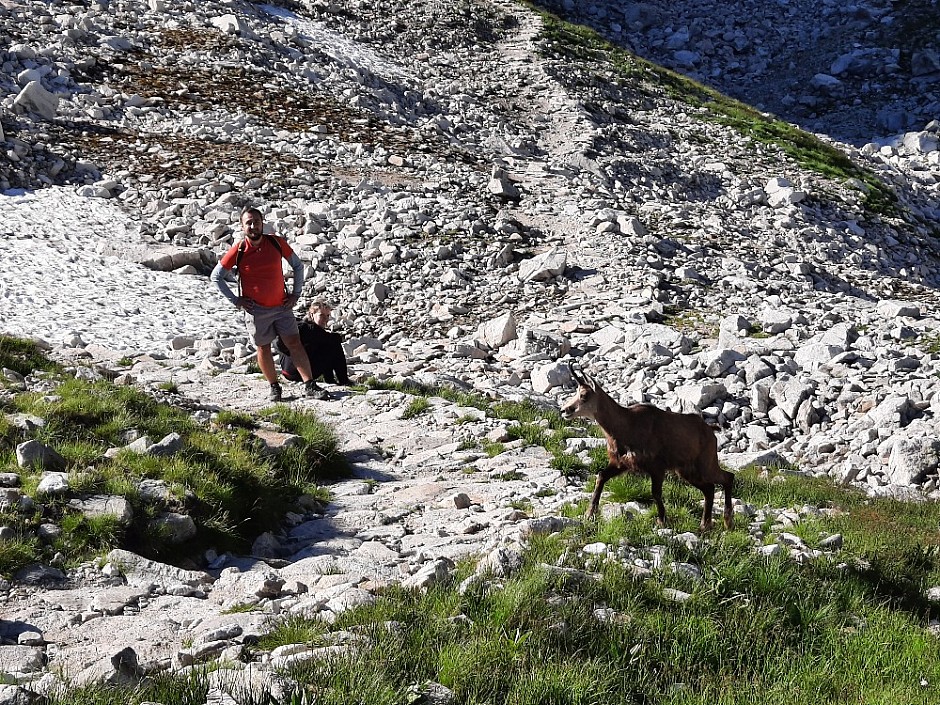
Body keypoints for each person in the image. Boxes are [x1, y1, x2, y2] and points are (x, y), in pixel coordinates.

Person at [210, 207, 331, 401]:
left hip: (282, 306)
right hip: (256, 310)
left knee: (295, 344)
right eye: (248, 222)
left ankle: (309, 385)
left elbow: (298, 267)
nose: (253, 225)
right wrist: (236, 300)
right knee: (263, 347)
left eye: (256, 221)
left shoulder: (276, 243)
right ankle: (274, 387)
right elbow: (216, 276)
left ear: (262, 222)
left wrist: (295, 294)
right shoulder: (239, 249)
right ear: (242, 226)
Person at [277, 299, 353, 386]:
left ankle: (330, 379)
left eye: (327, 315)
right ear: (312, 315)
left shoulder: (298, 325)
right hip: (299, 373)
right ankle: (342, 380)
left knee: (325, 343)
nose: (325, 319)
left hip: (286, 372)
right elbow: (337, 339)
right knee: (333, 345)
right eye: (321, 315)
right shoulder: (312, 330)